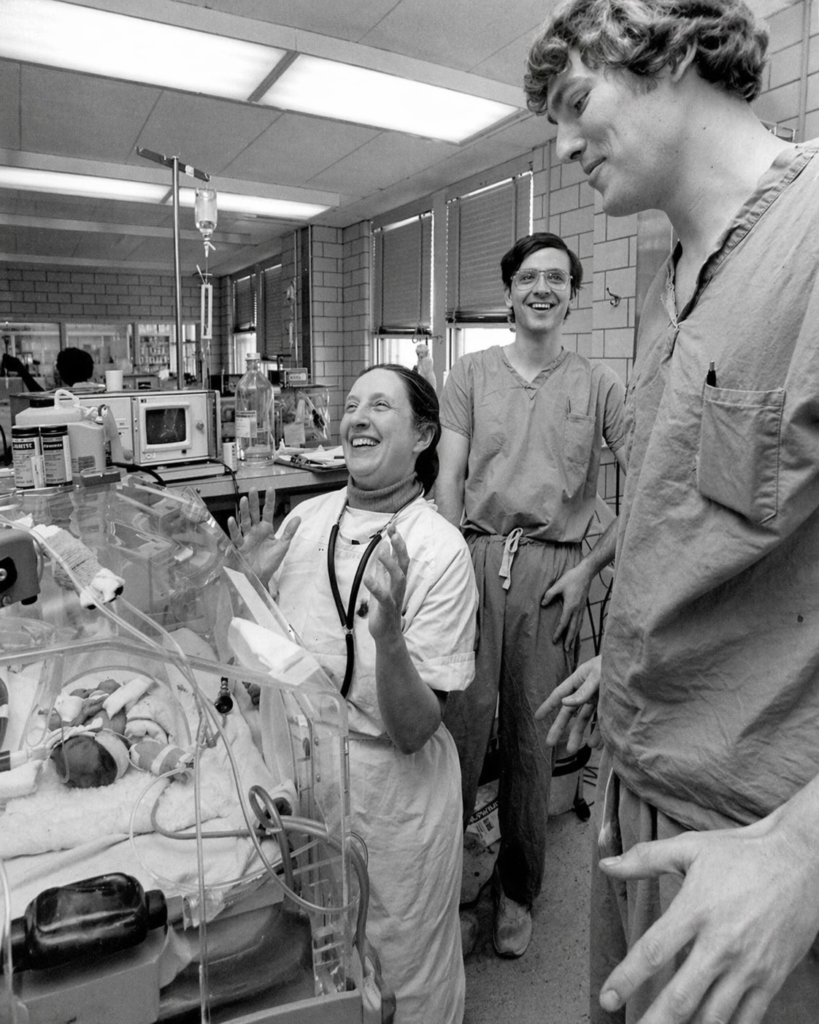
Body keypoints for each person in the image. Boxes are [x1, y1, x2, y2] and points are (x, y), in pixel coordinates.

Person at [526, 1, 819, 1022]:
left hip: (760, 853)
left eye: (574, 103)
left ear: (674, 49)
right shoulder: (666, 289)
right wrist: (636, 650)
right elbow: (707, 523)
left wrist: (802, 852)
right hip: (636, 791)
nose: (562, 145)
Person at [228, 364, 477, 1024]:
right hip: (307, 779)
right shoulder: (307, 519)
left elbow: (415, 728)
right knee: (321, 950)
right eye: (350, 405)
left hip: (392, 793)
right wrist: (245, 583)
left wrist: (389, 639)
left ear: (423, 434)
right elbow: (261, 661)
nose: (356, 417)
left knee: (399, 962)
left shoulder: (438, 550)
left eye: (379, 407)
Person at [436, 231, 626, 958]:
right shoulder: (471, 373)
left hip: (555, 573)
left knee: (528, 738)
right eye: (527, 277)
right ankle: (445, 888)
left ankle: (517, 891)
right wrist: (449, 562)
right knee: (458, 729)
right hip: (474, 558)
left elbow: (646, 483)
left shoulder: (599, 385)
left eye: (556, 278)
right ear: (509, 292)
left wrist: (588, 568)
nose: (541, 288)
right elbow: (450, 478)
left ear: (572, 296)